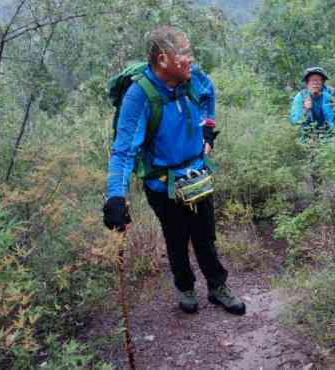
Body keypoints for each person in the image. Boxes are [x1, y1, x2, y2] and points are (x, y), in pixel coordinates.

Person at [102, 26, 246, 316]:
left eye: (190, 52)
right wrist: (115, 197)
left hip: (197, 175)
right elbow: (123, 150)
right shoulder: (139, 96)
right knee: (176, 238)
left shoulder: (194, 78)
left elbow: (208, 96)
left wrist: (207, 132)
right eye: (183, 55)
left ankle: (218, 287)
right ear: (162, 59)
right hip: (162, 184)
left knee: (205, 236)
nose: (190, 60)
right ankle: (185, 288)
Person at [289, 67, 335, 145]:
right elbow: (294, 121)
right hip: (308, 137)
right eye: (312, 80)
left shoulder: (332, 93)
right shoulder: (301, 96)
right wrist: (305, 110)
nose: (315, 83)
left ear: (323, 82)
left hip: (330, 135)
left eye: (318, 80)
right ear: (307, 83)